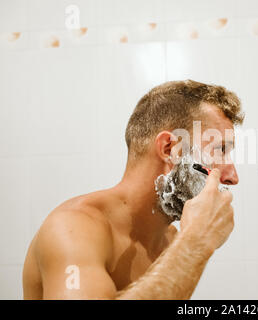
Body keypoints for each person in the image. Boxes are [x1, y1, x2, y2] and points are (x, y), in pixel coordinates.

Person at [22, 80, 244, 299]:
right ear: (170, 149)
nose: (233, 177)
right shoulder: (72, 228)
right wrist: (195, 242)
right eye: (220, 150)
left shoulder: (171, 241)